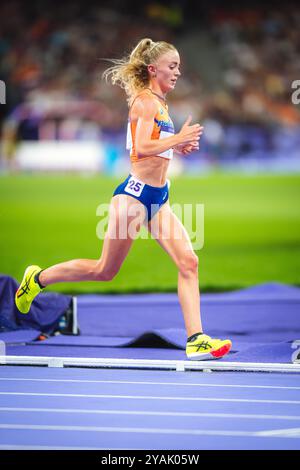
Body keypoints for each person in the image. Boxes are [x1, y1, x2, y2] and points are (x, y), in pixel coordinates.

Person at [15, 38, 231, 360]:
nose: (178, 72)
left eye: (179, 67)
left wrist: (176, 145)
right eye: (173, 66)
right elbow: (139, 148)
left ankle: (196, 338)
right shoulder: (144, 102)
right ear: (153, 69)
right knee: (104, 270)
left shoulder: (160, 103)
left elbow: (155, 146)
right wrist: (178, 138)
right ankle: (38, 278)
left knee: (189, 262)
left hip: (159, 197)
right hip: (134, 198)